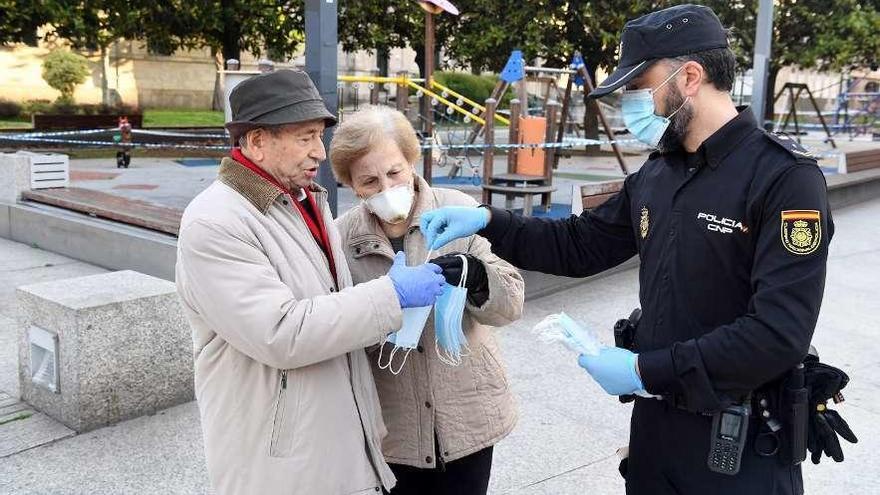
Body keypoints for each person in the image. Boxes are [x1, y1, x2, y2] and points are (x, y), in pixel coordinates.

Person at [418, 4, 841, 494]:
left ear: (689, 77)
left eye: (640, 89)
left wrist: (645, 369)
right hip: (655, 430)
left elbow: (777, 334)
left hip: (739, 444)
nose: (632, 106)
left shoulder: (784, 179)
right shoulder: (658, 174)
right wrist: (491, 219)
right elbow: (579, 246)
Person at [175, 70, 447, 494]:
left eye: (319, 135)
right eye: (305, 137)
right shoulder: (215, 223)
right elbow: (281, 333)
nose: (319, 152)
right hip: (279, 461)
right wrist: (390, 295)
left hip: (330, 443)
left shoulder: (303, 201)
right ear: (257, 142)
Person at [330, 105, 524, 495]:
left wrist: (477, 278)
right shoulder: (341, 240)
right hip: (392, 423)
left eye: (394, 172)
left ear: (411, 161)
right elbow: (336, 325)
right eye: (369, 181)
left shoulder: (461, 212)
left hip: (467, 410)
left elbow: (512, 302)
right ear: (351, 185)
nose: (386, 188)